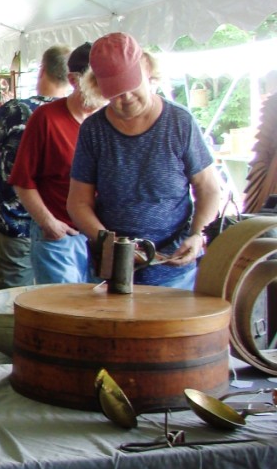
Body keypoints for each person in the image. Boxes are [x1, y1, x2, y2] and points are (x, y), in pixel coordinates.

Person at [67, 32, 221, 289]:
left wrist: (197, 234)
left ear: (147, 69)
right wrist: (113, 245)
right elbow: (78, 203)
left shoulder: (180, 123)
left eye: (130, 87)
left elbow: (208, 189)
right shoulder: (94, 130)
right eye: (114, 93)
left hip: (174, 270)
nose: (124, 98)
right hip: (112, 271)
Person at [0, 45, 71, 288]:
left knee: (12, 305)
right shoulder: (75, 112)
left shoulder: (17, 110)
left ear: (42, 70)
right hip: (61, 227)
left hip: (17, 223)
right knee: (58, 301)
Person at [9, 42, 106, 284]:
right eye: (96, 83)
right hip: (60, 237)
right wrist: (48, 222)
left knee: (101, 312)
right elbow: (22, 181)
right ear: (74, 80)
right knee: (64, 313)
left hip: (102, 237)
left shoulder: (109, 122)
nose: (104, 91)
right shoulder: (46, 118)